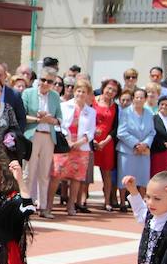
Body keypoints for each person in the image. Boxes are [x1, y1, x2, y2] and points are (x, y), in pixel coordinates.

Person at [49, 79, 96, 215]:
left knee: (76, 179)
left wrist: (81, 142)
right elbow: (60, 125)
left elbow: (91, 131)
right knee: (56, 175)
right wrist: (68, 140)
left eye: (84, 92)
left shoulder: (91, 111)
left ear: (88, 94)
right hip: (64, 146)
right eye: (79, 91)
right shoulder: (64, 106)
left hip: (82, 148)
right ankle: (48, 205)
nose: (81, 94)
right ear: (74, 91)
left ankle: (71, 206)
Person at [22, 66, 62, 219]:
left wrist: (49, 119)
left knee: (44, 173)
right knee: (28, 173)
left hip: (48, 136)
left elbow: (59, 119)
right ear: (38, 80)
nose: (45, 83)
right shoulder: (28, 93)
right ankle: (26, 204)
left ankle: (43, 207)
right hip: (32, 135)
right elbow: (22, 115)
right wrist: (38, 119)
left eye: (49, 81)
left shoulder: (55, 96)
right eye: (43, 79)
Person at [117, 89, 156, 205]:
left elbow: (152, 132)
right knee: (125, 177)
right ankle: (123, 202)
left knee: (143, 178)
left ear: (145, 99)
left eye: (141, 97)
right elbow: (121, 132)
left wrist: (145, 144)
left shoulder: (149, 114)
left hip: (144, 151)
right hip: (128, 150)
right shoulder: (125, 112)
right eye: (137, 97)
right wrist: (135, 144)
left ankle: (143, 203)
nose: (139, 100)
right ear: (133, 98)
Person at [92, 79, 120, 211]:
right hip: (91, 141)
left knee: (107, 173)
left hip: (107, 143)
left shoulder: (116, 107)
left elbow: (115, 128)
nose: (111, 92)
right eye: (109, 88)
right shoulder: (93, 101)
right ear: (103, 88)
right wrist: (93, 138)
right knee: (86, 172)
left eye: (114, 90)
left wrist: (105, 141)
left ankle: (107, 201)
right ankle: (81, 200)